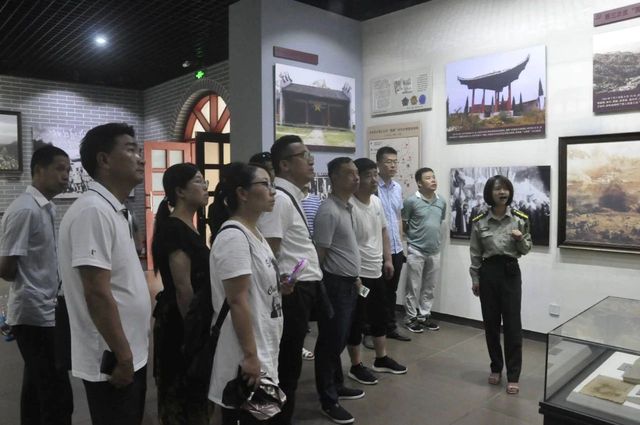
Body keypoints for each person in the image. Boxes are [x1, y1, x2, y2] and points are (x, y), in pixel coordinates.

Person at [58, 123, 151, 425]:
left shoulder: (113, 209)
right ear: (104, 159)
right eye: (131, 149)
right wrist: (123, 356)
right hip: (111, 359)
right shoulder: (93, 211)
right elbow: (97, 292)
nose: (141, 158)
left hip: (127, 351)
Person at [208, 162, 287, 425]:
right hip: (245, 354)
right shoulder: (234, 237)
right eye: (265, 184)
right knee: (247, 416)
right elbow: (237, 300)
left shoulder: (255, 232)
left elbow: (254, 287)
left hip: (263, 344)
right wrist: (251, 356)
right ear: (242, 193)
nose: (272, 191)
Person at [0, 144, 73, 425]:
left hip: (46, 309)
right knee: (56, 395)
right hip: (34, 315)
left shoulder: (45, 207)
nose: (66, 175)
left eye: (68, 170)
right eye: (59, 169)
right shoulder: (25, 210)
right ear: (39, 170)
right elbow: (6, 267)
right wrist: (33, 286)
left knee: (36, 390)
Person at [256, 135, 323, 425]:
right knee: (286, 364)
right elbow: (269, 252)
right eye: (303, 155)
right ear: (284, 164)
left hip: (301, 288)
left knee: (291, 361)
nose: (311, 160)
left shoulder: (290, 196)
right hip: (291, 292)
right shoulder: (281, 199)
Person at [151, 163, 210, 424]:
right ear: (180, 191)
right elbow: (183, 288)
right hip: (179, 323)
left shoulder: (188, 226)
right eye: (198, 181)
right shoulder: (174, 229)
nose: (205, 186)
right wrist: (194, 334)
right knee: (180, 394)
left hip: (190, 318)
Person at [346, 158, 407, 387]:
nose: (374, 180)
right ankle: (356, 365)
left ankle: (381, 359)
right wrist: (354, 276)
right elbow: (346, 244)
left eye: (375, 174)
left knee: (380, 315)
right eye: (368, 175)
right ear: (356, 178)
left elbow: (384, 231)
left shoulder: (376, 201)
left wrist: (388, 259)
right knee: (357, 320)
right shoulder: (348, 205)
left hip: (377, 269)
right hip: (358, 274)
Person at [469, 175, 531, 395]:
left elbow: (526, 249)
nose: (502, 192)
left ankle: (513, 375)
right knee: (491, 324)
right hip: (488, 273)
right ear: (490, 193)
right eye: (497, 189)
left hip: (510, 272)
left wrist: (520, 239)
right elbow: (475, 253)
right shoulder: (479, 221)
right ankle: (496, 367)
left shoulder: (520, 218)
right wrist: (475, 279)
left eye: (505, 188)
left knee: (513, 325)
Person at [314, 157, 362, 425]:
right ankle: (328, 399)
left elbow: (346, 248)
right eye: (350, 173)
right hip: (334, 285)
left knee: (340, 339)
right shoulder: (329, 211)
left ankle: (337, 384)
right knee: (330, 342)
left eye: (357, 173)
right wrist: (322, 290)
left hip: (348, 283)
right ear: (334, 178)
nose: (356, 177)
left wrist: (356, 278)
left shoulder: (347, 207)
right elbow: (320, 255)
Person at [402, 167, 447, 333]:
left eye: (433, 177)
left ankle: (424, 315)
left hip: (434, 250)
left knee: (430, 286)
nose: (433, 180)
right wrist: (413, 239)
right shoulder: (411, 201)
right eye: (428, 178)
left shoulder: (441, 201)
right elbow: (404, 224)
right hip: (416, 249)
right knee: (412, 287)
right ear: (419, 183)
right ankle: (410, 317)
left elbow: (439, 222)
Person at [375, 147, 410, 342]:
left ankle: (390, 327)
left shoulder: (397, 187)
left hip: (396, 248)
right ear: (379, 164)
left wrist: (401, 244)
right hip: (378, 250)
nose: (393, 165)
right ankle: (371, 331)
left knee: (391, 291)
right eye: (388, 161)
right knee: (375, 292)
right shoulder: (373, 188)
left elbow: (398, 217)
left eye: (395, 162)